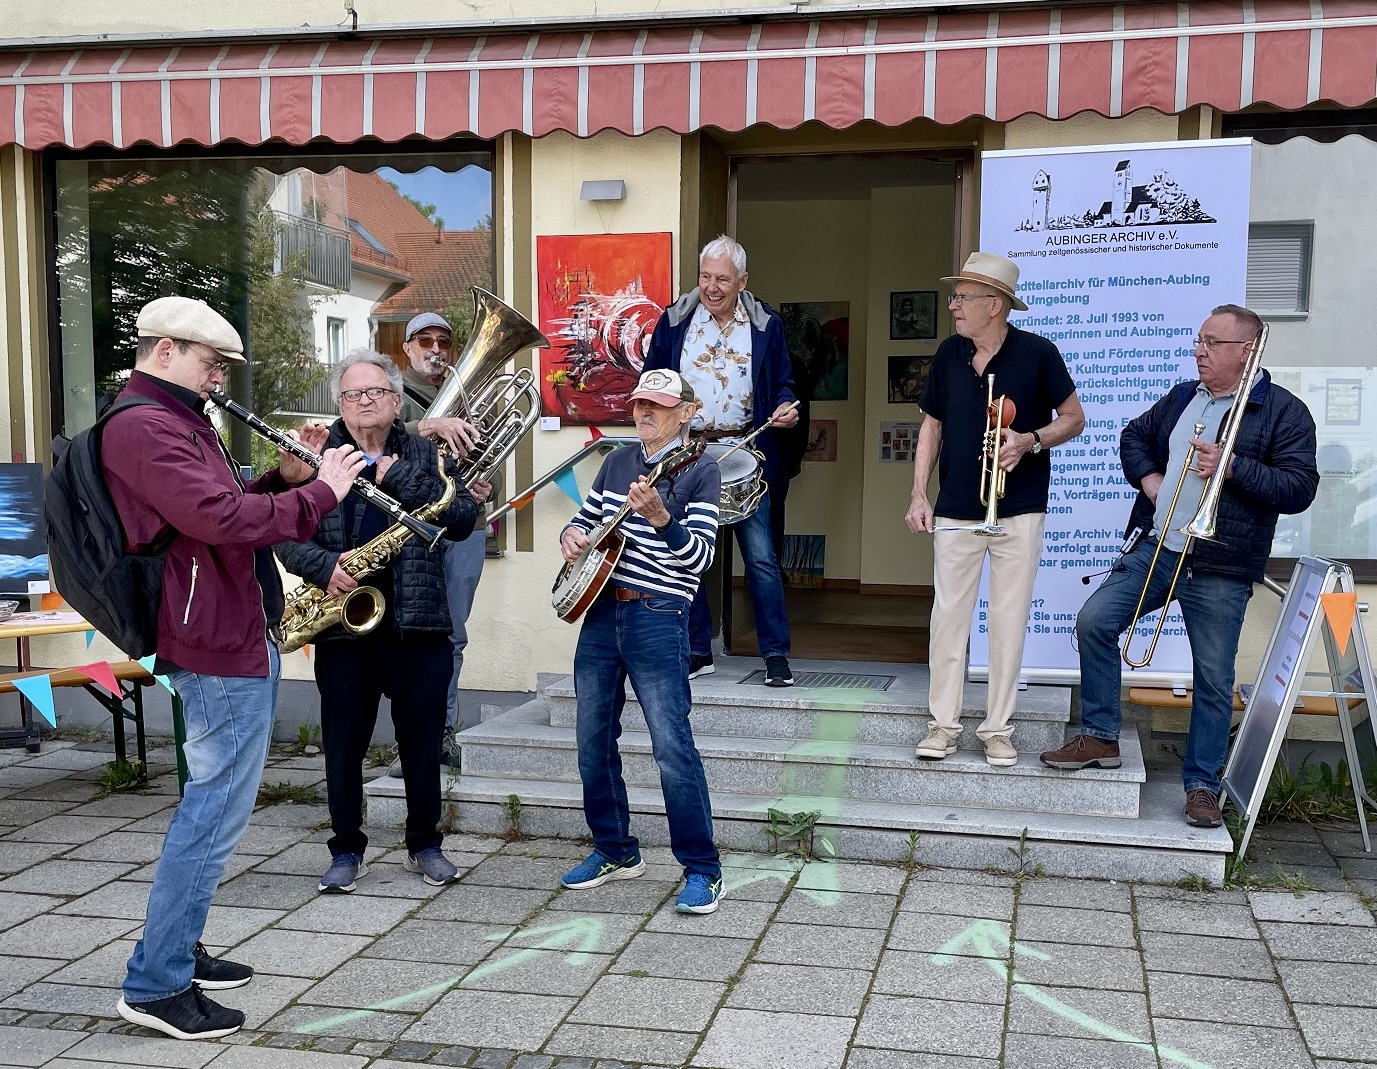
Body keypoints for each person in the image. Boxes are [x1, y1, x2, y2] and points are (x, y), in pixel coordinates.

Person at [104, 296, 366, 1040]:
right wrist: (321, 493)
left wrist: (282, 479)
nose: (219, 377)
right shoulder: (146, 426)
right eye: (211, 363)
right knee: (211, 815)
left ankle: (176, 949)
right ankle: (156, 985)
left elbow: (220, 507)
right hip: (212, 643)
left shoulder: (178, 420)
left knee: (215, 810)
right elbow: (217, 522)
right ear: (165, 353)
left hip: (230, 627)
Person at [1041, 304, 1319, 828]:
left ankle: (1201, 786)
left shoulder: (1283, 411)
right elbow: (1133, 437)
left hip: (1221, 563)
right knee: (1095, 622)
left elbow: (1299, 487)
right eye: (1199, 341)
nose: (1200, 351)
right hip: (1160, 547)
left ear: (1247, 351)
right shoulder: (1181, 398)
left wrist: (1233, 467)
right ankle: (1101, 736)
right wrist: (1149, 481)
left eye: (1213, 344)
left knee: (1212, 679)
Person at [276, 350, 478, 892]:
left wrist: (401, 478)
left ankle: (425, 844)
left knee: (421, 746)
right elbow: (285, 531)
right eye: (351, 395)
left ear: (395, 399)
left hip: (420, 626)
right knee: (343, 746)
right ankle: (345, 849)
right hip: (345, 626)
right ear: (339, 403)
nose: (363, 403)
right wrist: (325, 568)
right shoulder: (316, 454)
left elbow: (461, 519)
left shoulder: (425, 451)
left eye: (374, 393)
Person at [905, 252, 1085, 767]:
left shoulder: (1039, 354)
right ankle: (942, 725)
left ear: (996, 306)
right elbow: (931, 428)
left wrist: (1031, 439)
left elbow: (1074, 418)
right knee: (948, 620)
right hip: (958, 507)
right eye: (955, 296)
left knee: (1009, 621)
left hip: (1020, 509)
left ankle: (998, 729)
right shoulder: (947, 354)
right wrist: (920, 494)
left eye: (962, 298)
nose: (953, 306)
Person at [558, 368, 725, 914]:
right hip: (601, 612)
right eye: (639, 405)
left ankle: (703, 868)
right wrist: (571, 536)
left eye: (656, 406)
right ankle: (614, 850)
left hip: (658, 615)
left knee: (671, 746)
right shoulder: (616, 461)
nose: (644, 413)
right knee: (591, 740)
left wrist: (661, 519)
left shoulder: (700, 470)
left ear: (684, 413)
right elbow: (585, 521)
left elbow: (698, 559)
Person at [643, 235, 799, 686]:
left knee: (762, 558)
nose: (712, 287)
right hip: (687, 453)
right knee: (682, 553)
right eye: (705, 277)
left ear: (742, 281)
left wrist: (787, 407)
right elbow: (651, 382)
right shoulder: (674, 322)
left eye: (722, 279)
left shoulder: (766, 324)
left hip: (746, 451)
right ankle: (696, 650)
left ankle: (775, 654)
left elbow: (785, 383)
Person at [397, 311, 493, 765]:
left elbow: (486, 460)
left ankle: (443, 732)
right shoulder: (390, 393)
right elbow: (378, 440)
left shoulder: (470, 401)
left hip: (465, 527)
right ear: (407, 348)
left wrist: (483, 488)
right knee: (413, 637)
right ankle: (409, 742)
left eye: (444, 343)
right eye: (425, 342)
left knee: (453, 635)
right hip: (413, 527)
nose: (436, 350)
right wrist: (430, 426)